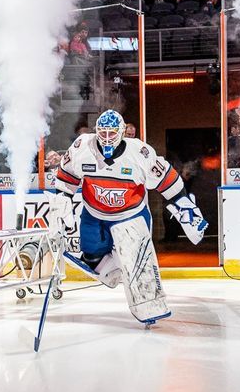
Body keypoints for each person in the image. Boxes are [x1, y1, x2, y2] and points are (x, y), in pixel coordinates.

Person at [48, 110, 208, 325]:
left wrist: (185, 207)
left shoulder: (139, 152)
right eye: (102, 132)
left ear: (122, 132)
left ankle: (150, 306)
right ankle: (119, 268)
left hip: (130, 215)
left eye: (112, 133)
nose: (106, 138)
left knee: (140, 266)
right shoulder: (82, 146)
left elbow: (168, 180)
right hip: (94, 213)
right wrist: (63, 200)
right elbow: (66, 174)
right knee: (91, 258)